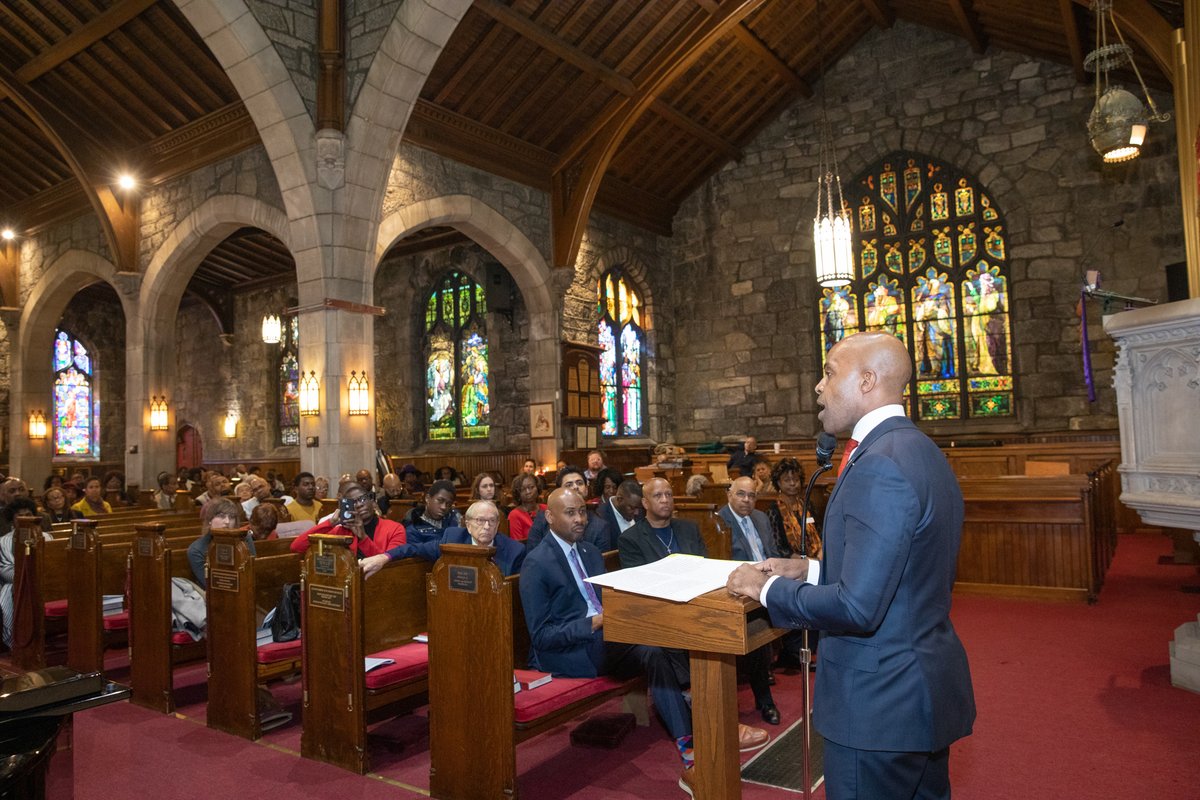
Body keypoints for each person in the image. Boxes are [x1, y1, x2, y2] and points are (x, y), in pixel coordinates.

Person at [727, 331, 975, 800]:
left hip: (879, 704)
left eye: (828, 373)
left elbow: (860, 607)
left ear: (866, 381)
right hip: (917, 690)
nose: (818, 388)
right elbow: (902, 573)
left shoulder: (880, 463)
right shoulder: (917, 449)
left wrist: (765, 591)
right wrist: (810, 571)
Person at [520, 488, 727, 791]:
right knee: (652, 645)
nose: (580, 519)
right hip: (572, 653)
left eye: (582, 512)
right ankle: (690, 729)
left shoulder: (590, 553)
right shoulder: (537, 563)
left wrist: (622, 615)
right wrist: (595, 622)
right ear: (550, 517)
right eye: (570, 513)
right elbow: (541, 636)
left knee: (659, 635)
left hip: (607, 638)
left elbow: (610, 600)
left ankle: (692, 731)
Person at [716, 477, 782, 725]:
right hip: (741, 593)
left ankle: (775, 669)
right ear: (729, 494)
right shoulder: (719, 522)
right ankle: (765, 699)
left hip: (768, 583)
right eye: (741, 494)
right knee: (756, 633)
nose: (746, 500)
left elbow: (772, 552)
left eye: (752, 495)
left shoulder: (762, 518)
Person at [360, 500, 525, 579]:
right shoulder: (453, 538)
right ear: (467, 525)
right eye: (480, 520)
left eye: (492, 521)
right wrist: (384, 557)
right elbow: (414, 548)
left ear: (498, 525)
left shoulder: (514, 551)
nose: (487, 526)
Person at [288, 482, 405, 556]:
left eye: (363, 499)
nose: (359, 505)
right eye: (353, 502)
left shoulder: (395, 529)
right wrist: (330, 523)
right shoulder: (342, 532)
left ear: (373, 502)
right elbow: (297, 547)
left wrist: (363, 537)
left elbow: (389, 567)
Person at [1, 498, 53, 648]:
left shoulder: (46, 537)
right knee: (10, 594)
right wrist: (27, 577)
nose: (26, 518)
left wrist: (40, 576)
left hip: (45, 582)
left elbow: (52, 563)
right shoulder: (3, 542)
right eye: (20, 515)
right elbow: (4, 569)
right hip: (14, 584)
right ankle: (18, 642)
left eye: (29, 514)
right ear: (12, 519)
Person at [524, 467, 614, 551]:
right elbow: (533, 555)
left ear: (586, 489)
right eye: (569, 484)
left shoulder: (600, 526)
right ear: (558, 492)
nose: (575, 487)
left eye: (579, 483)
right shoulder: (543, 520)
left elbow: (599, 564)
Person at [186, 498, 250, 588]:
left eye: (231, 517)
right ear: (210, 520)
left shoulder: (245, 539)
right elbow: (210, 583)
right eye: (221, 516)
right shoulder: (196, 550)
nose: (227, 522)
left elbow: (253, 572)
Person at [765, 458, 821, 560]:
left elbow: (820, 532)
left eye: (796, 479)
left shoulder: (807, 505)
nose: (792, 483)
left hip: (817, 558)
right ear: (778, 483)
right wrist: (805, 561)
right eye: (787, 480)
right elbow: (779, 548)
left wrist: (821, 554)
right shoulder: (774, 511)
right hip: (792, 562)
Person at [401, 480, 460, 546]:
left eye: (448, 504)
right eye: (440, 500)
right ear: (427, 498)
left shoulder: (455, 518)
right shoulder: (413, 527)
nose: (444, 507)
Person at [596, 479, 642, 548]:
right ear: (619, 499)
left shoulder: (639, 509)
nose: (637, 512)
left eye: (638, 508)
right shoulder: (601, 516)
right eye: (632, 508)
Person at [507, 473, 543, 542]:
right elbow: (517, 546)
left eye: (531, 487)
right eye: (523, 489)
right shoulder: (514, 515)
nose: (528, 492)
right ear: (518, 493)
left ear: (537, 488)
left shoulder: (547, 508)